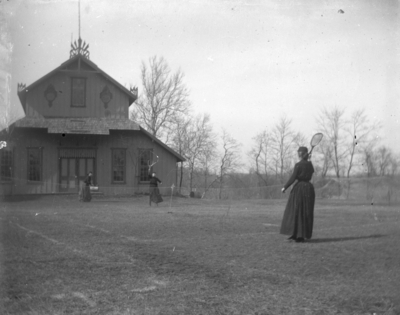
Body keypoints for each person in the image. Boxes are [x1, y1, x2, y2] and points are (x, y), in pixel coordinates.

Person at [280, 147, 315, 243]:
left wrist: (285, 187)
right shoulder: (310, 165)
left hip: (299, 189)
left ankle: (297, 235)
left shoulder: (298, 165)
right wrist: (308, 160)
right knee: (304, 212)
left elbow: (293, 177)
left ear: (300, 154)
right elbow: (311, 171)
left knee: (295, 211)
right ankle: (298, 235)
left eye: (299, 153)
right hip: (309, 189)